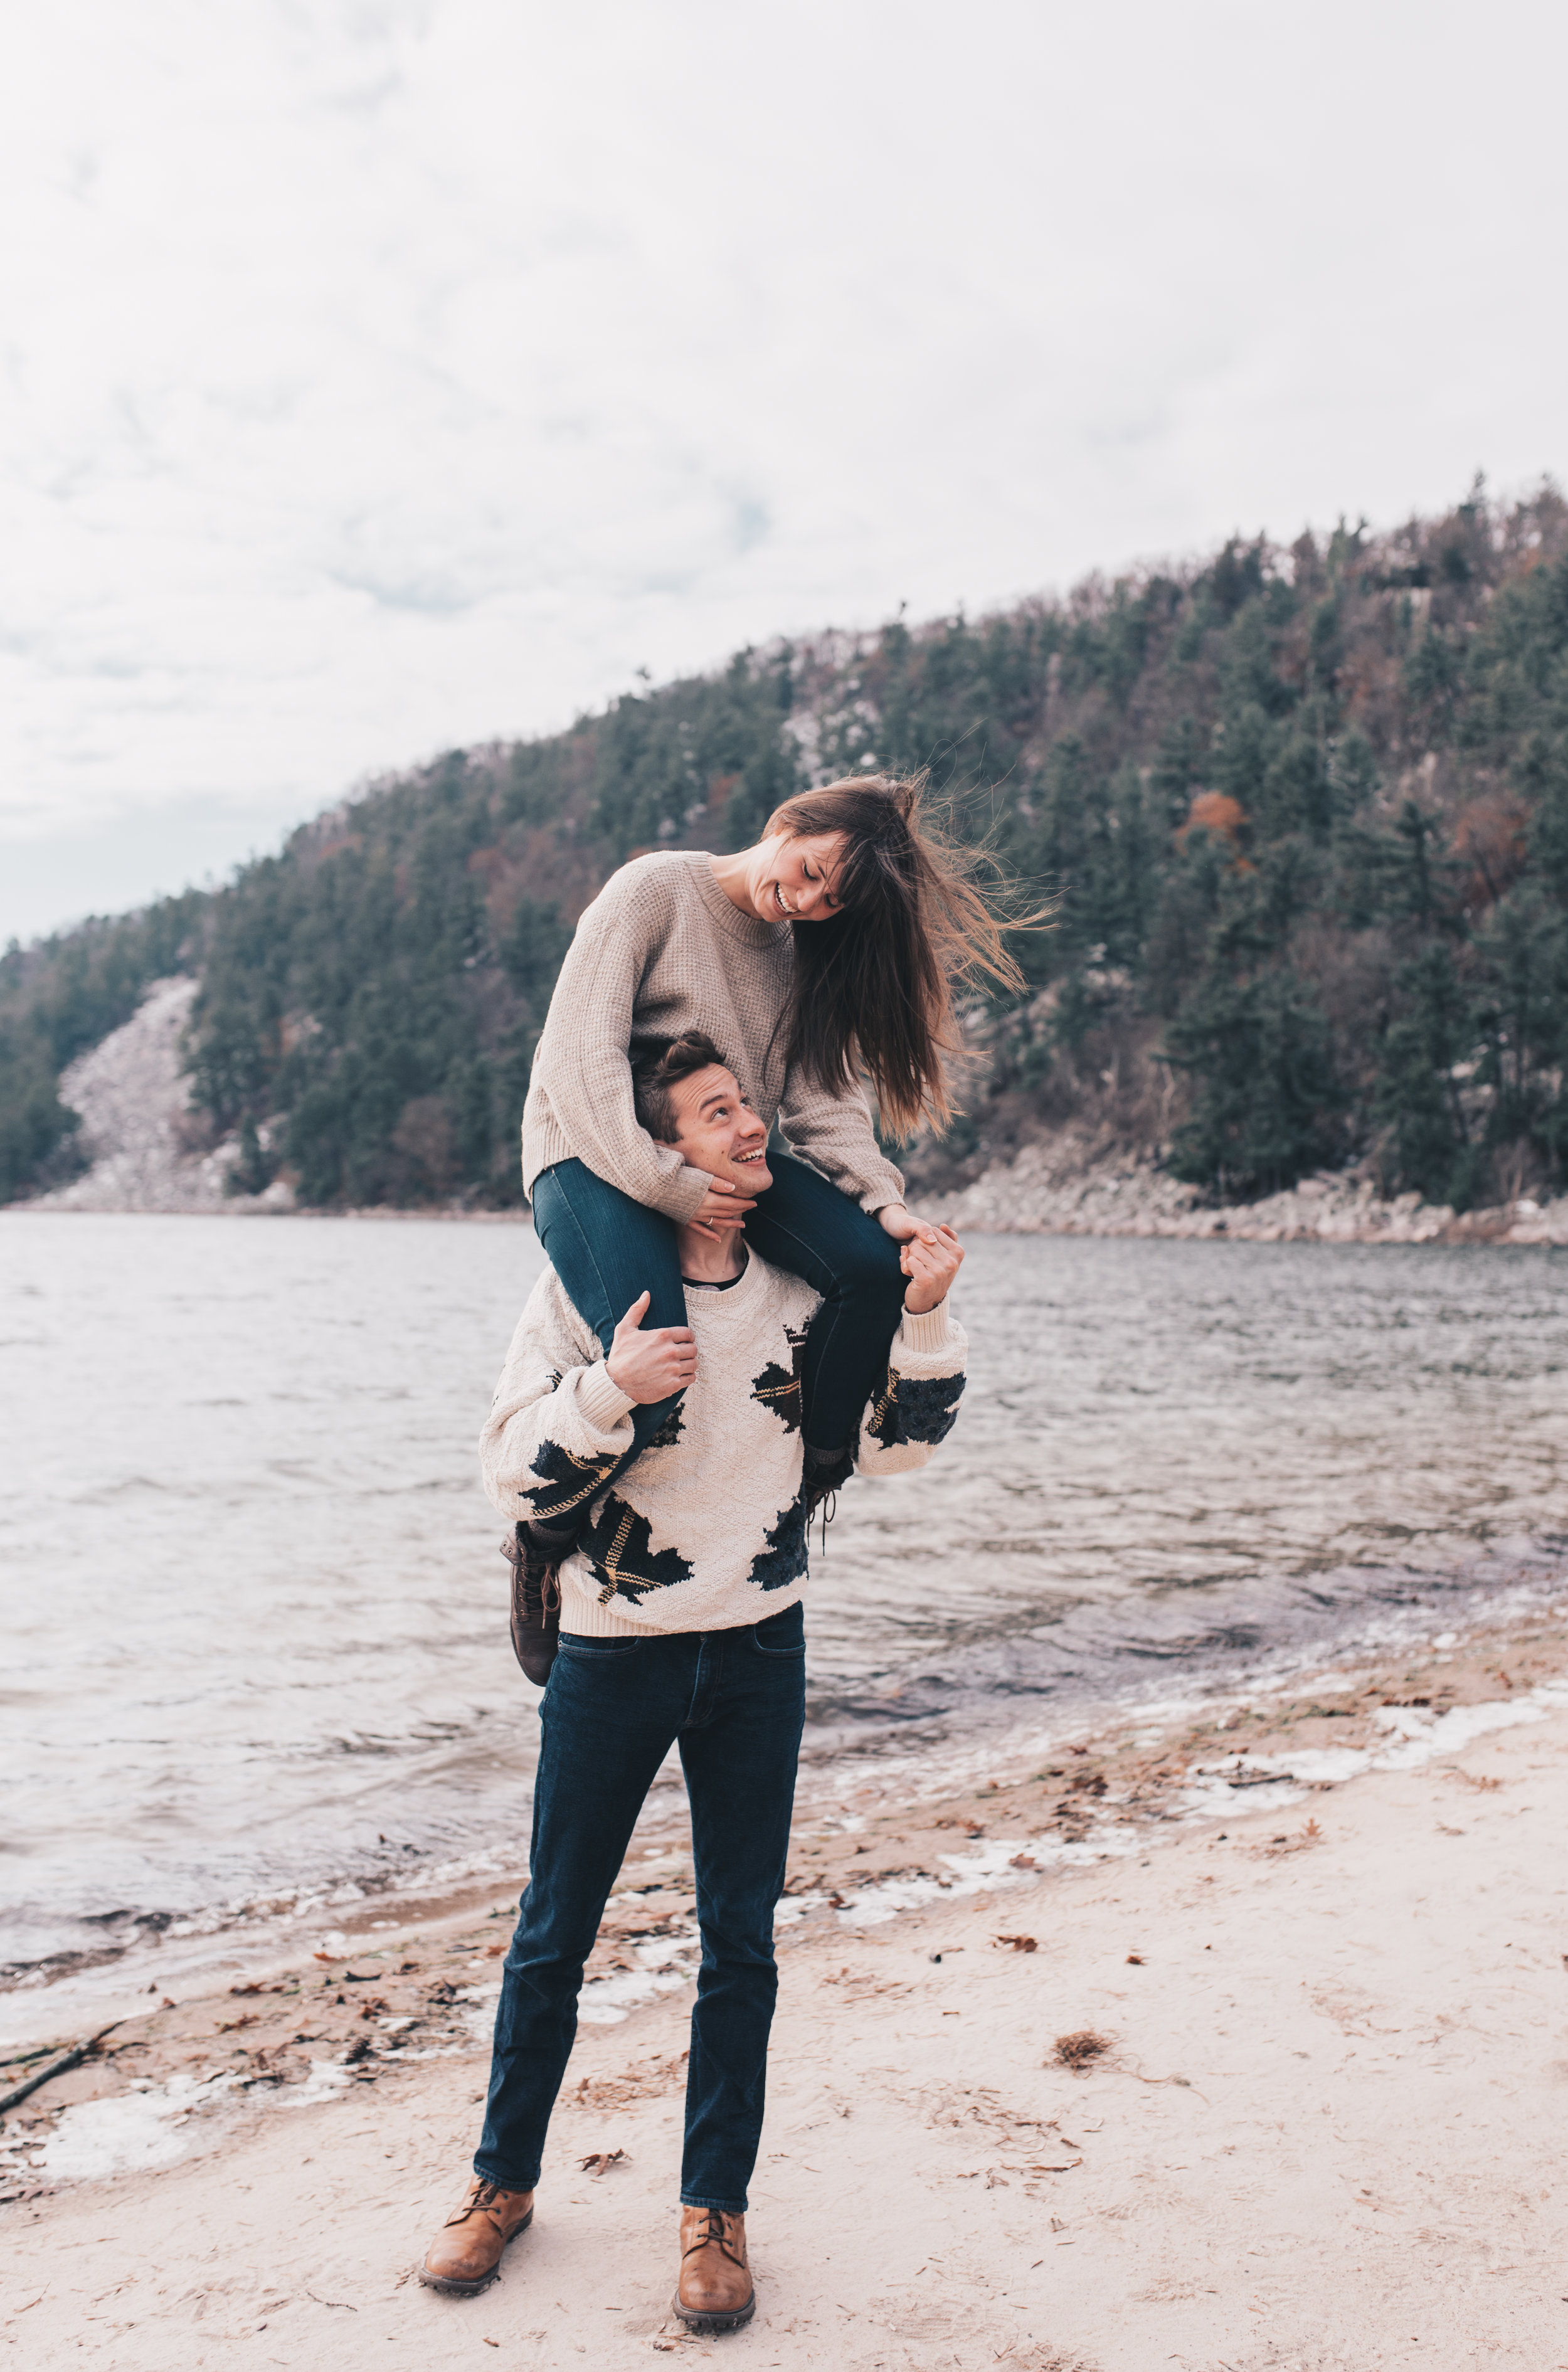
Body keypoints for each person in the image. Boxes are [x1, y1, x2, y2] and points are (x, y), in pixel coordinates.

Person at [420, 1031, 967, 2329]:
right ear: (658, 1150)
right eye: (716, 1114)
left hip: (759, 1648)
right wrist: (610, 1387)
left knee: (739, 1941)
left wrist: (927, 1314)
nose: (746, 1131)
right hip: (612, 1653)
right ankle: (500, 2184)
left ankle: (711, 2212)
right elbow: (507, 1471)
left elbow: (892, 1452)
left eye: (746, 1108)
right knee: (554, 1930)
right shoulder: (585, 1288)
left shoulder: (801, 1288)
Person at [509, 772, 1025, 1669]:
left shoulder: (799, 959)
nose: (813, 899)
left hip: (720, 1158)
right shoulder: (654, 891)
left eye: (834, 899)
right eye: (817, 869)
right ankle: (542, 1545)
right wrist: (663, 1182)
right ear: (792, 822)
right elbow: (579, 1057)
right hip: (589, 1154)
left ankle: (815, 1471)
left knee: (867, 1268)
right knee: (659, 1357)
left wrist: (886, 1204)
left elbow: (823, 1101)